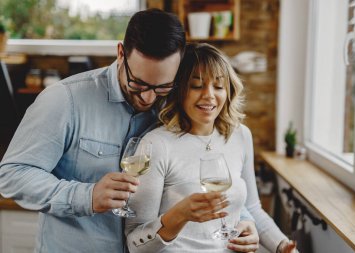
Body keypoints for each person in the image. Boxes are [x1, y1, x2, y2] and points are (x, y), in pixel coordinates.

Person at [0, 9, 258, 253]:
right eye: (138, 84)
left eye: (162, 87)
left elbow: (197, 169)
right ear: (121, 53)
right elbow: (12, 175)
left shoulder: (173, 103)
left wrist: (243, 218)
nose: (148, 98)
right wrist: (85, 196)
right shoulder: (64, 100)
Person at [125, 43, 298, 253]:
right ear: (179, 91)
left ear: (228, 90)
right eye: (197, 86)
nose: (209, 95)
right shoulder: (156, 145)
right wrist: (178, 215)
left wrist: (283, 246)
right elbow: (135, 243)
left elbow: (252, 208)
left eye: (218, 86)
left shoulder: (240, 135)